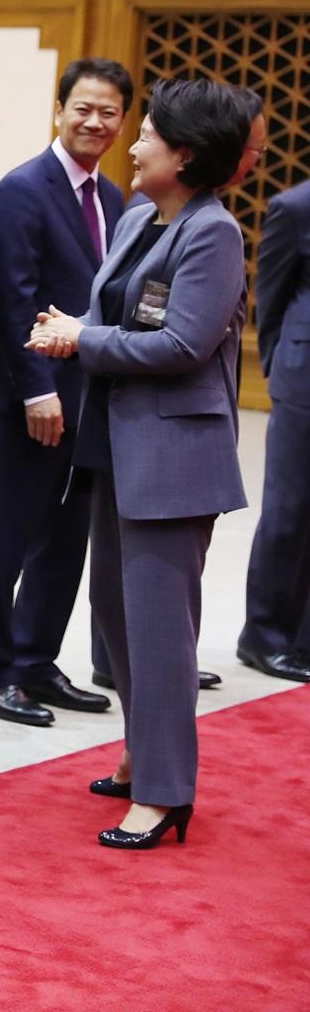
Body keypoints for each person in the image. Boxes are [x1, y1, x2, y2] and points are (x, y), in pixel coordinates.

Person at [28, 78, 250, 850]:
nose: (135, 140)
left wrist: (80, 342)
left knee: (160, 628)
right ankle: (139, 752)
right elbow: (121, 314)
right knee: (118, 617)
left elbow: (181, 344)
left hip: (174, 455)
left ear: (185, 156)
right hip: (117, 440)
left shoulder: (214, 232)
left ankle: (164, 793)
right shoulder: (136, 218)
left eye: (149, 131)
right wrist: (78, 324)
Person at [0, 60, 131, 726]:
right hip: (33, 401)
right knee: (8, 536)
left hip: (94, 401)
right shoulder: (22, 190)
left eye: (109, 112)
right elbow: (12, 298)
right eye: (83, 108)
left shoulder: (117, 199)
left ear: (123, 122)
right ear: (59, 110)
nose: (95, 122)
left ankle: (36, 661)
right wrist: (37, 391)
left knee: (67, 539)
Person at [240, 128, 310, 682]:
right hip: (303, 378)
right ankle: (263, 635)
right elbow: (274, 300)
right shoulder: (294, 207)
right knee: (289, 511)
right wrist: (283, 367)